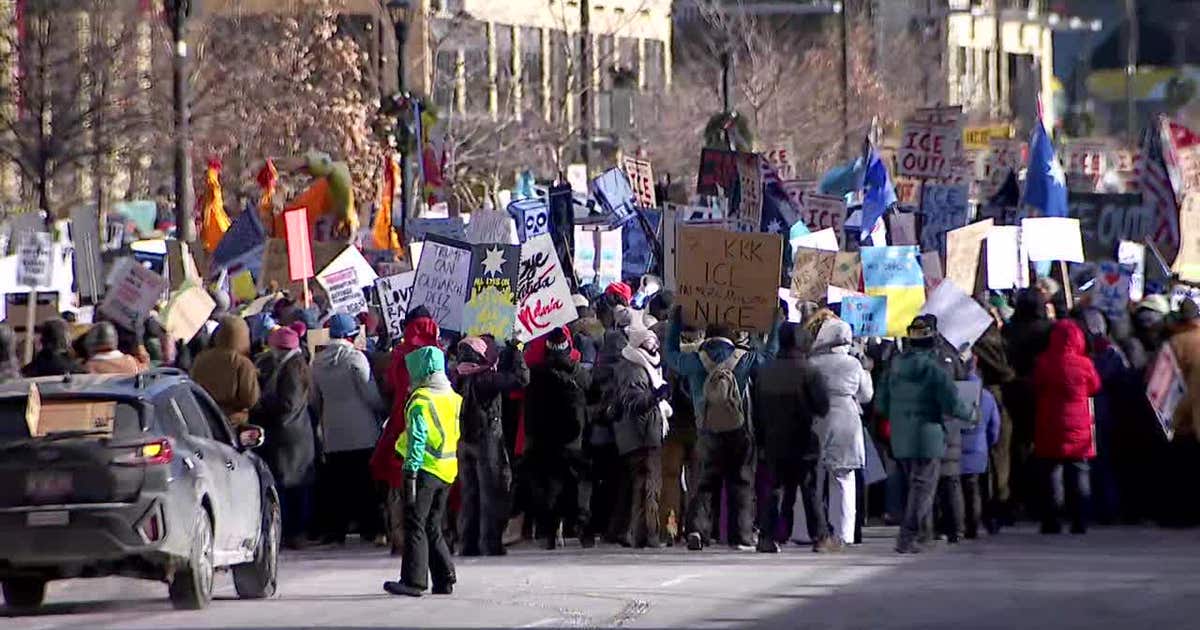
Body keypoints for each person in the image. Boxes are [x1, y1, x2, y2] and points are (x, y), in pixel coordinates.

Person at [666, 306, 781, 551]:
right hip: (739, 428)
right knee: (741, 482)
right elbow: (769, 358)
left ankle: (697, 530)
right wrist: (774, 326)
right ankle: (741, 535)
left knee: (705, 483)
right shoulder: (743, 358)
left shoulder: (695, 360)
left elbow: (670, 354)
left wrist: (674, 323)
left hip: (705, 428)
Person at [876, 317, 972, 554]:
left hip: (901, 436)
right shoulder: (934, 370)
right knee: (924, 488)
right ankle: (908, 536)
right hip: (928, 436)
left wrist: (899, 415)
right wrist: (971, 412)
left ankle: (920, 535)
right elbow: (953, 402)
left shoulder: (894, 366)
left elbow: (881, 404)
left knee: (915, 486)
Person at [383, 346, 461, 598]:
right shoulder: (451, 396)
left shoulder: (420, 400)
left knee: (415, 523)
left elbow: (417, 438)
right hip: (447, 469)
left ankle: (413, 580)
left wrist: (410, 471)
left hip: (424, 468)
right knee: (432, 524)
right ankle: (444, 577)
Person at [753, 323, 830, 553]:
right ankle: (820, 537)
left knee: (774, 489)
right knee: (809, 490)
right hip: (803, 438)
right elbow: (822, 406)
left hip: (774, 440)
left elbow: (756, 412)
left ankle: (766, 537)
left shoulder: (765, 371)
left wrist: (761, 441)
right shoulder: (809, 370)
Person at [312, 313, 387, 545]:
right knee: (365, 484)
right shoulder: (356, 359)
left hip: (333, 431)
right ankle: (371, 529)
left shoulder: (316, 362)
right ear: (350, 335)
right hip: (363, 430)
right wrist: (383, 409)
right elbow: (370, 394)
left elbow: (315, 400)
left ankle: (337, 531)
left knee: (338, 484)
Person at [371, 306, 441, 555]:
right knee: (434, 479)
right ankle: (437, 535)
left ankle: (400, 537)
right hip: (437, 420)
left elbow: (390, 383)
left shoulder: (400, 354)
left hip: (403, 419)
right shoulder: (438, 353)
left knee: (398, 480)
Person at [453, 335, 529, 556]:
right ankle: (490, 542)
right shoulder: (486, 378)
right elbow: (521, 379)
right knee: (491, 492)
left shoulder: (458, 376)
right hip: (486, 440)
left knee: (469, 494)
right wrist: (516, 352)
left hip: (463, 440)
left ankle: (468, 543)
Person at [806, 318, 872, 549]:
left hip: (817, 417)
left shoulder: (813, 362)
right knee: (843, 478)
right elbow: (866, 395)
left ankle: (807, 531)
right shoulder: (853, 364)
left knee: (813, 477)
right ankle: (844, 532)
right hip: (846, 417)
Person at [524, 328, 592, 548]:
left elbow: (530, 407)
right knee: (579, 484)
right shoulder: (579, 373)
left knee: (551, 486)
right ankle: (582, 527)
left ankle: (551, 532)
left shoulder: (537, 373)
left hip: (545, 439)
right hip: (575, 438)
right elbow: (594, 395)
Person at [1033, 319, 1101, 534]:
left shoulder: (1044, 362)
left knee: (1052, 473)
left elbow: (1036, 386)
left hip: (1050, 424)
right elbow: (1095, 386)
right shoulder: (1085, 364)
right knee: (1080, 472)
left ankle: (1052, 521)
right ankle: (1080, 520)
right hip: (1079, 427)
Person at [251, 325, 316, 549]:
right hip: (291, 435)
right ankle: (292, 531)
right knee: (289, 485)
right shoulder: (287, 365)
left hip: (291, 435)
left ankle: (295, 532)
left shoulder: (293, 368)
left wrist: (262, 406)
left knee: (293, 487)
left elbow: (289, 404)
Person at [610, 324, 671, 548]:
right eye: (649, 340)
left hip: (645, 433)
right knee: (649, 486)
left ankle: (635, 533)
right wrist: (654, 396)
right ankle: (647, 534)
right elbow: (632, 401)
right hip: (641, 435)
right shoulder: (633, 368)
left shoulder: (645, 364)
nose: (654, 344)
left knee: (640, 486)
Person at [190, 315, 261, 425]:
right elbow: (250, 399)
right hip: (232, 421)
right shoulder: (243, 364)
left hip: (203, 416)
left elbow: (192, 384)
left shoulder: (201, 358)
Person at [961, 367, 1001, 539]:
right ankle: (974, 525)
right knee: (975, 488)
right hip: (979, 448)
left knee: (955, 487)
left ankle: (956, 524)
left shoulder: (956, 393)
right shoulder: (987, 396)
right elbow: (995, 426)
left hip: (957, 447)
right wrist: (988, 443)